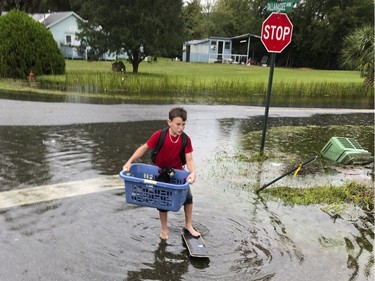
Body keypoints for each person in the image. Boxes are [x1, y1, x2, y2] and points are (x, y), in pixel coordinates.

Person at [123, 107, 200, 240]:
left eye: (183, 124)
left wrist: (193, 172)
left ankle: (188, 225)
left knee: (188, 197)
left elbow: (189, 159)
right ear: (169, 122)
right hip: (160, 172)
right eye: (178, 124)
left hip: (177, 173)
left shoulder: (185, 140)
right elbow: (144, 148)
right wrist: (129, 162)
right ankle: (164, 230)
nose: (181, 128)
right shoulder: (160, 135)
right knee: (162, 202)